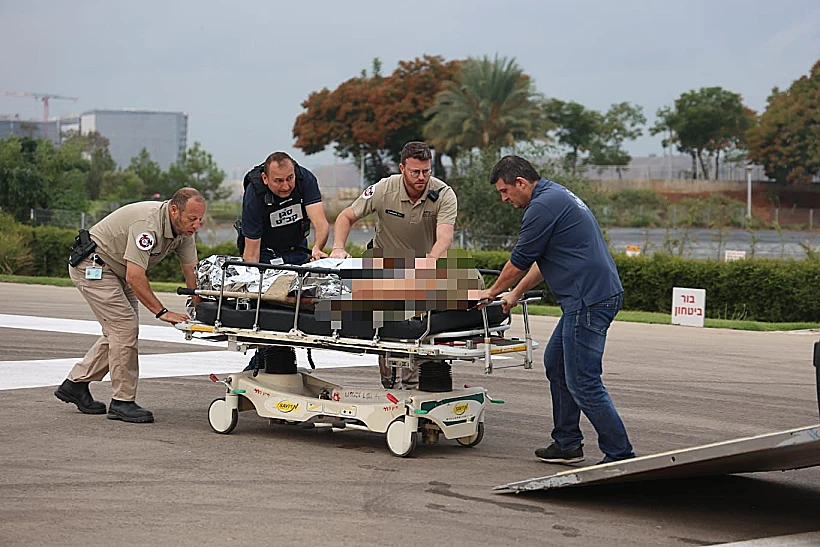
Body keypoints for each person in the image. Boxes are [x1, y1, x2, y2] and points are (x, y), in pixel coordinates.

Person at [474, 155, 635, 465]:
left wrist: (491, 291)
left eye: (504, 191)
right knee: (557, 363)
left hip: (588, 300)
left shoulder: (542, 207)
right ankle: (567, 442)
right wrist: (514, 294)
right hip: (591, 297)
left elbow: (519, 260)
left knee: (583, 381)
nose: (504, 199)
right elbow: (542, 261)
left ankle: (620, 454)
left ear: (520, 183)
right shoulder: (555, 195)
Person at [54, 188, 206, 424]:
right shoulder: (148, 224)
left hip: (117, 271)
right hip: (93, 267)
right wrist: (162, 312)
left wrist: (202, 311)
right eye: (192, 218)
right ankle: (122, 402)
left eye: (200, 219)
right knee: (124, 328)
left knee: (120, 331)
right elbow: (136, 276)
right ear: (174, 210)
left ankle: (75, 384)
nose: (197, 225)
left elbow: (191, 272)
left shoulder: (184, 232)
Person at [330, 141, 457, 389]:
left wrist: (431, 260)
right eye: (415, 172)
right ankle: (390, 383)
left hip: (422, 269)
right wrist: (338, 247)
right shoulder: (383, 189)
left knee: (421, 329)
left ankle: (416, 386)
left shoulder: (443, 194)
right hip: (385, 268)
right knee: (389, 330)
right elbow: (346, 217)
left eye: (426, 171)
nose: (422, 177)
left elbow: (445, 236)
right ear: (402, 168)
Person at [239, 151, 330, 266]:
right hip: (266, 253)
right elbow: (252, 253)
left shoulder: (305, 179)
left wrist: (317, 248)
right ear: (265, 178)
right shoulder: (254, 194)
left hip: (298, 248)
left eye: (290, 178)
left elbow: (321, 223)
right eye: (279, 181)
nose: (286, 186)